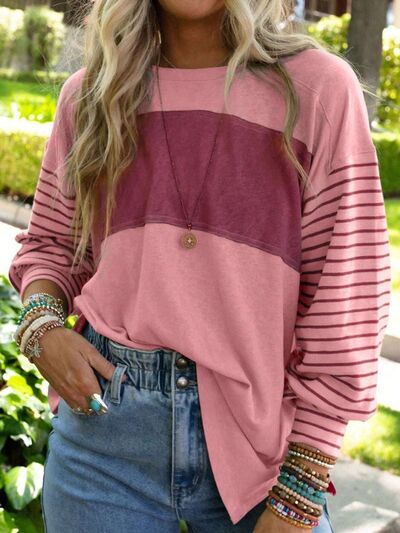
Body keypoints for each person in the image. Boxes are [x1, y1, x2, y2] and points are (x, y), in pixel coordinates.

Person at [8, 0, 391, 532]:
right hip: (103, 442)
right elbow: (51, 246)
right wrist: (41, 327)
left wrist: (302, 486)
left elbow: (346, 300)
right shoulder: (94, 95)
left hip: (263, 458)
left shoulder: (317, 91)